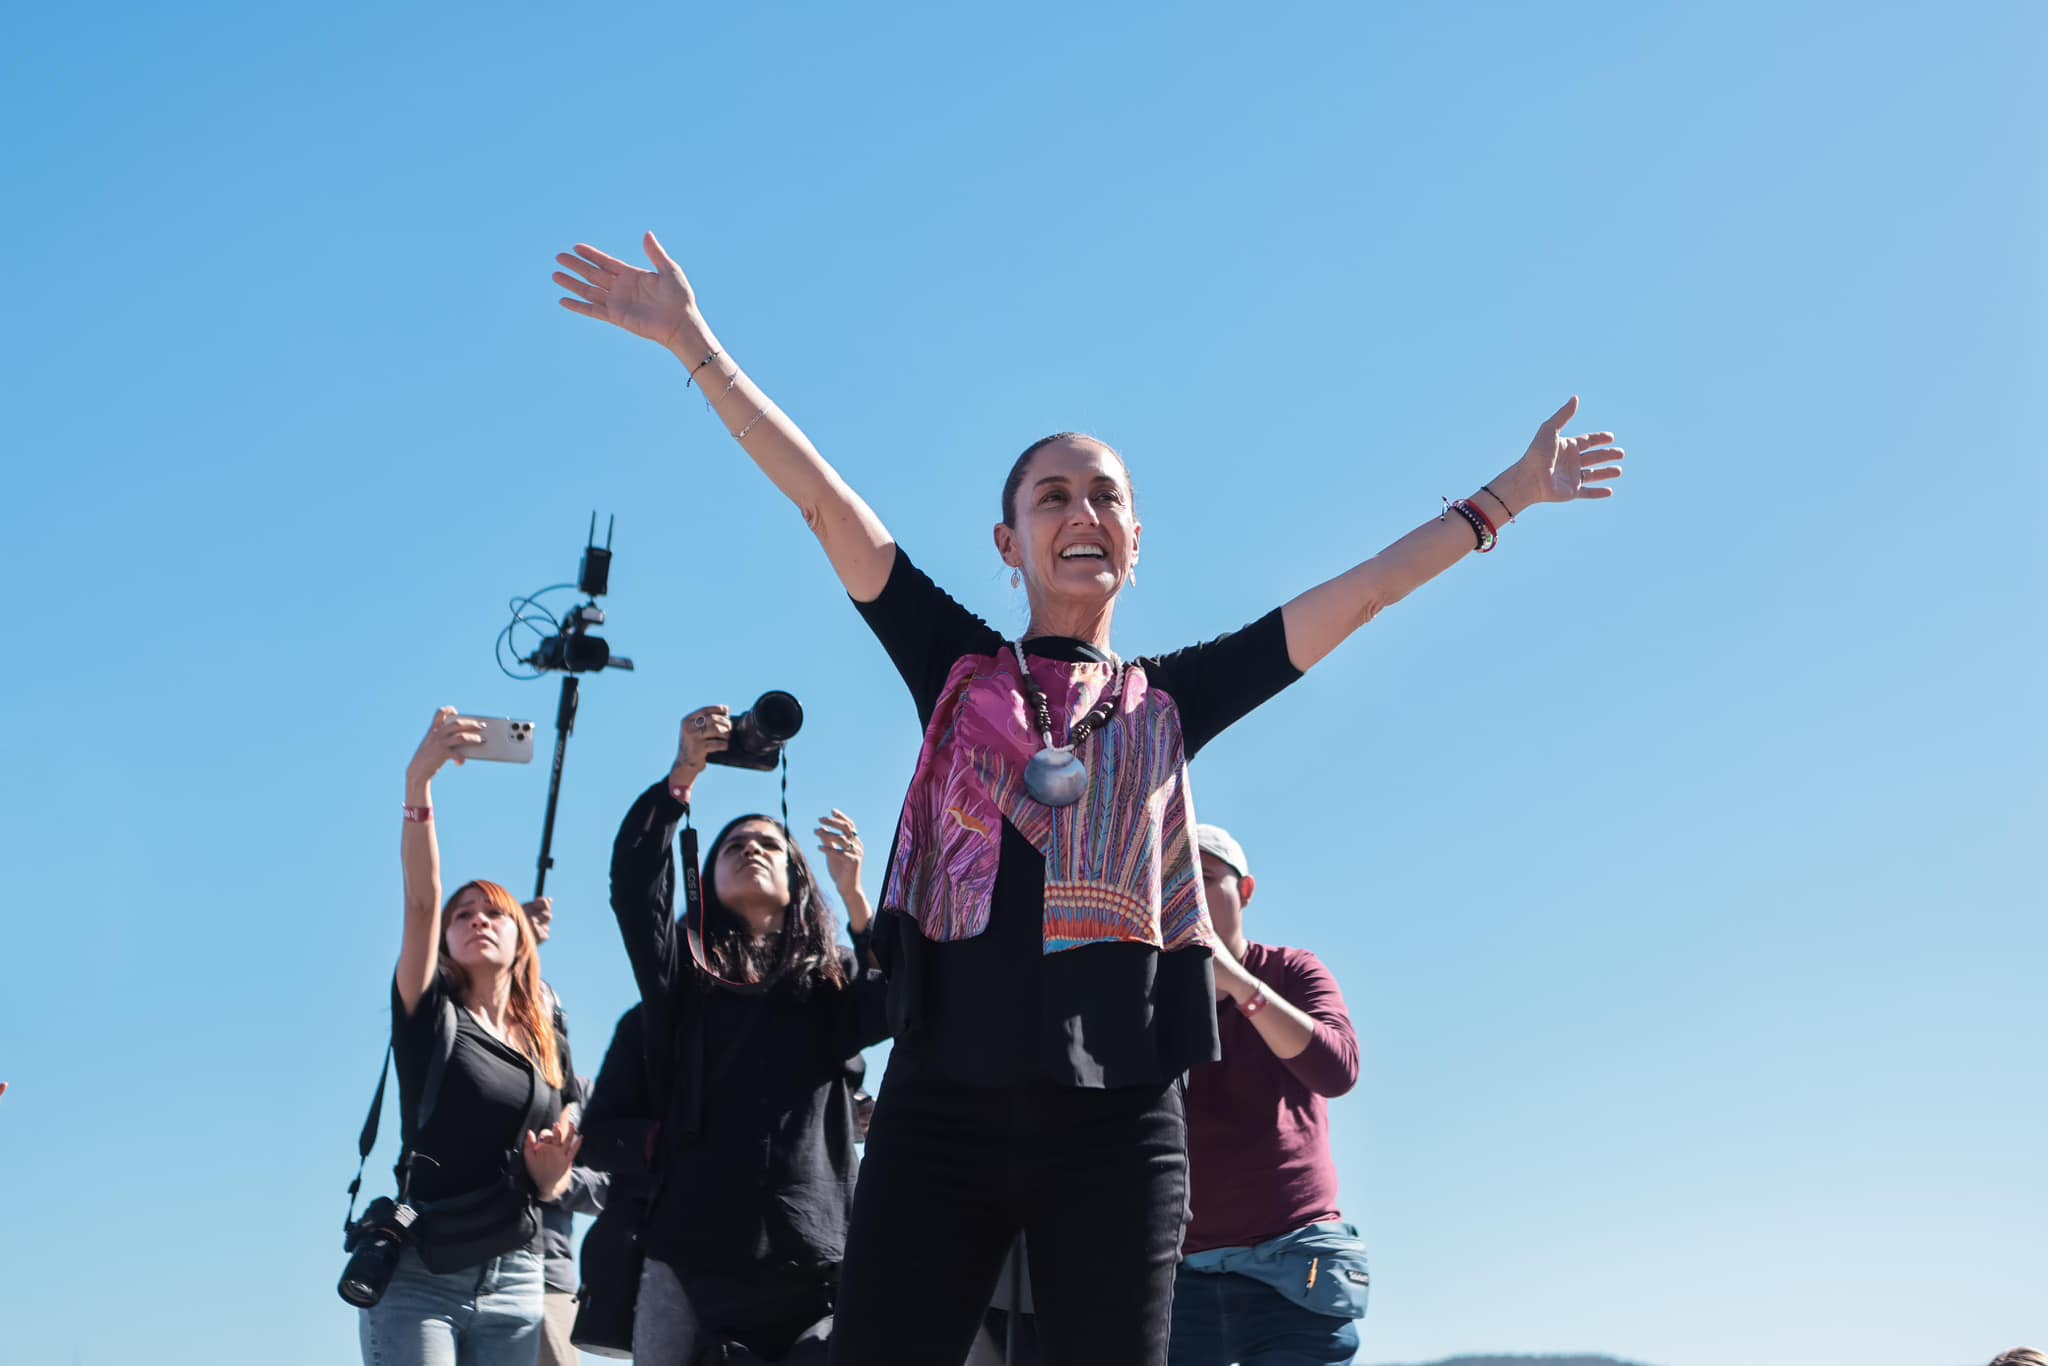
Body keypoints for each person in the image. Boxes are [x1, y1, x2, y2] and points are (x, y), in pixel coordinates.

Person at [552, 231, 1627, 1366]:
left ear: (1134, 536)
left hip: (1115, 1121)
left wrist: (1507, 494)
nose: (1082, 511)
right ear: (1006, 541)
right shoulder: (953, 669)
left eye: (1104, 495)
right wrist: (689, 338)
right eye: (1051, 494)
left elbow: (1355, 596)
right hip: (939, 1110)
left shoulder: (1170, 701)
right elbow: (822, 499)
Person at [609, 705, 890, 1364]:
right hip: (690, 1255)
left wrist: (856, 901)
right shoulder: (683, 974)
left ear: (798, 882)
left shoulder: (830, 980)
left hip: (815, 1262)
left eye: (770, 844)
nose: (753, 849)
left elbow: (893, 1008)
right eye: (735, 845)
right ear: (706, 882)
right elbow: (634, 888)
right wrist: (682, 777)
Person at [360, 706, 583, 1366]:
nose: (477, 919)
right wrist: (418, 786)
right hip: (421, 1270)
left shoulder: (542, 1036)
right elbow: (421, 902)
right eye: (465, 914)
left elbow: (549, 1159)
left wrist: (549, 1180)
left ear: (523, 937)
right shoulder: (428, 1013)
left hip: (516, 1273)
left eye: (495, 912)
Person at [1170, 824, 1368, 1366]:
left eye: (1205, 879)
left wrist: (1238, 984)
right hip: (1176, 1278)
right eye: (1172, 881)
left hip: (1295, 1265)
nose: (1187, 895)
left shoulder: (1293, 971)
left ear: (1246, 891)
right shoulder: (1146, 997)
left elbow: (1337, 1070)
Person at [520, 895, 609, 1366]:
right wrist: (517, 938)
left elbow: (618, 1186)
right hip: (444, 1269)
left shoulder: (583, 1096)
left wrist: (556, 1183)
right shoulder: (465, 1073)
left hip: (543, 1275)